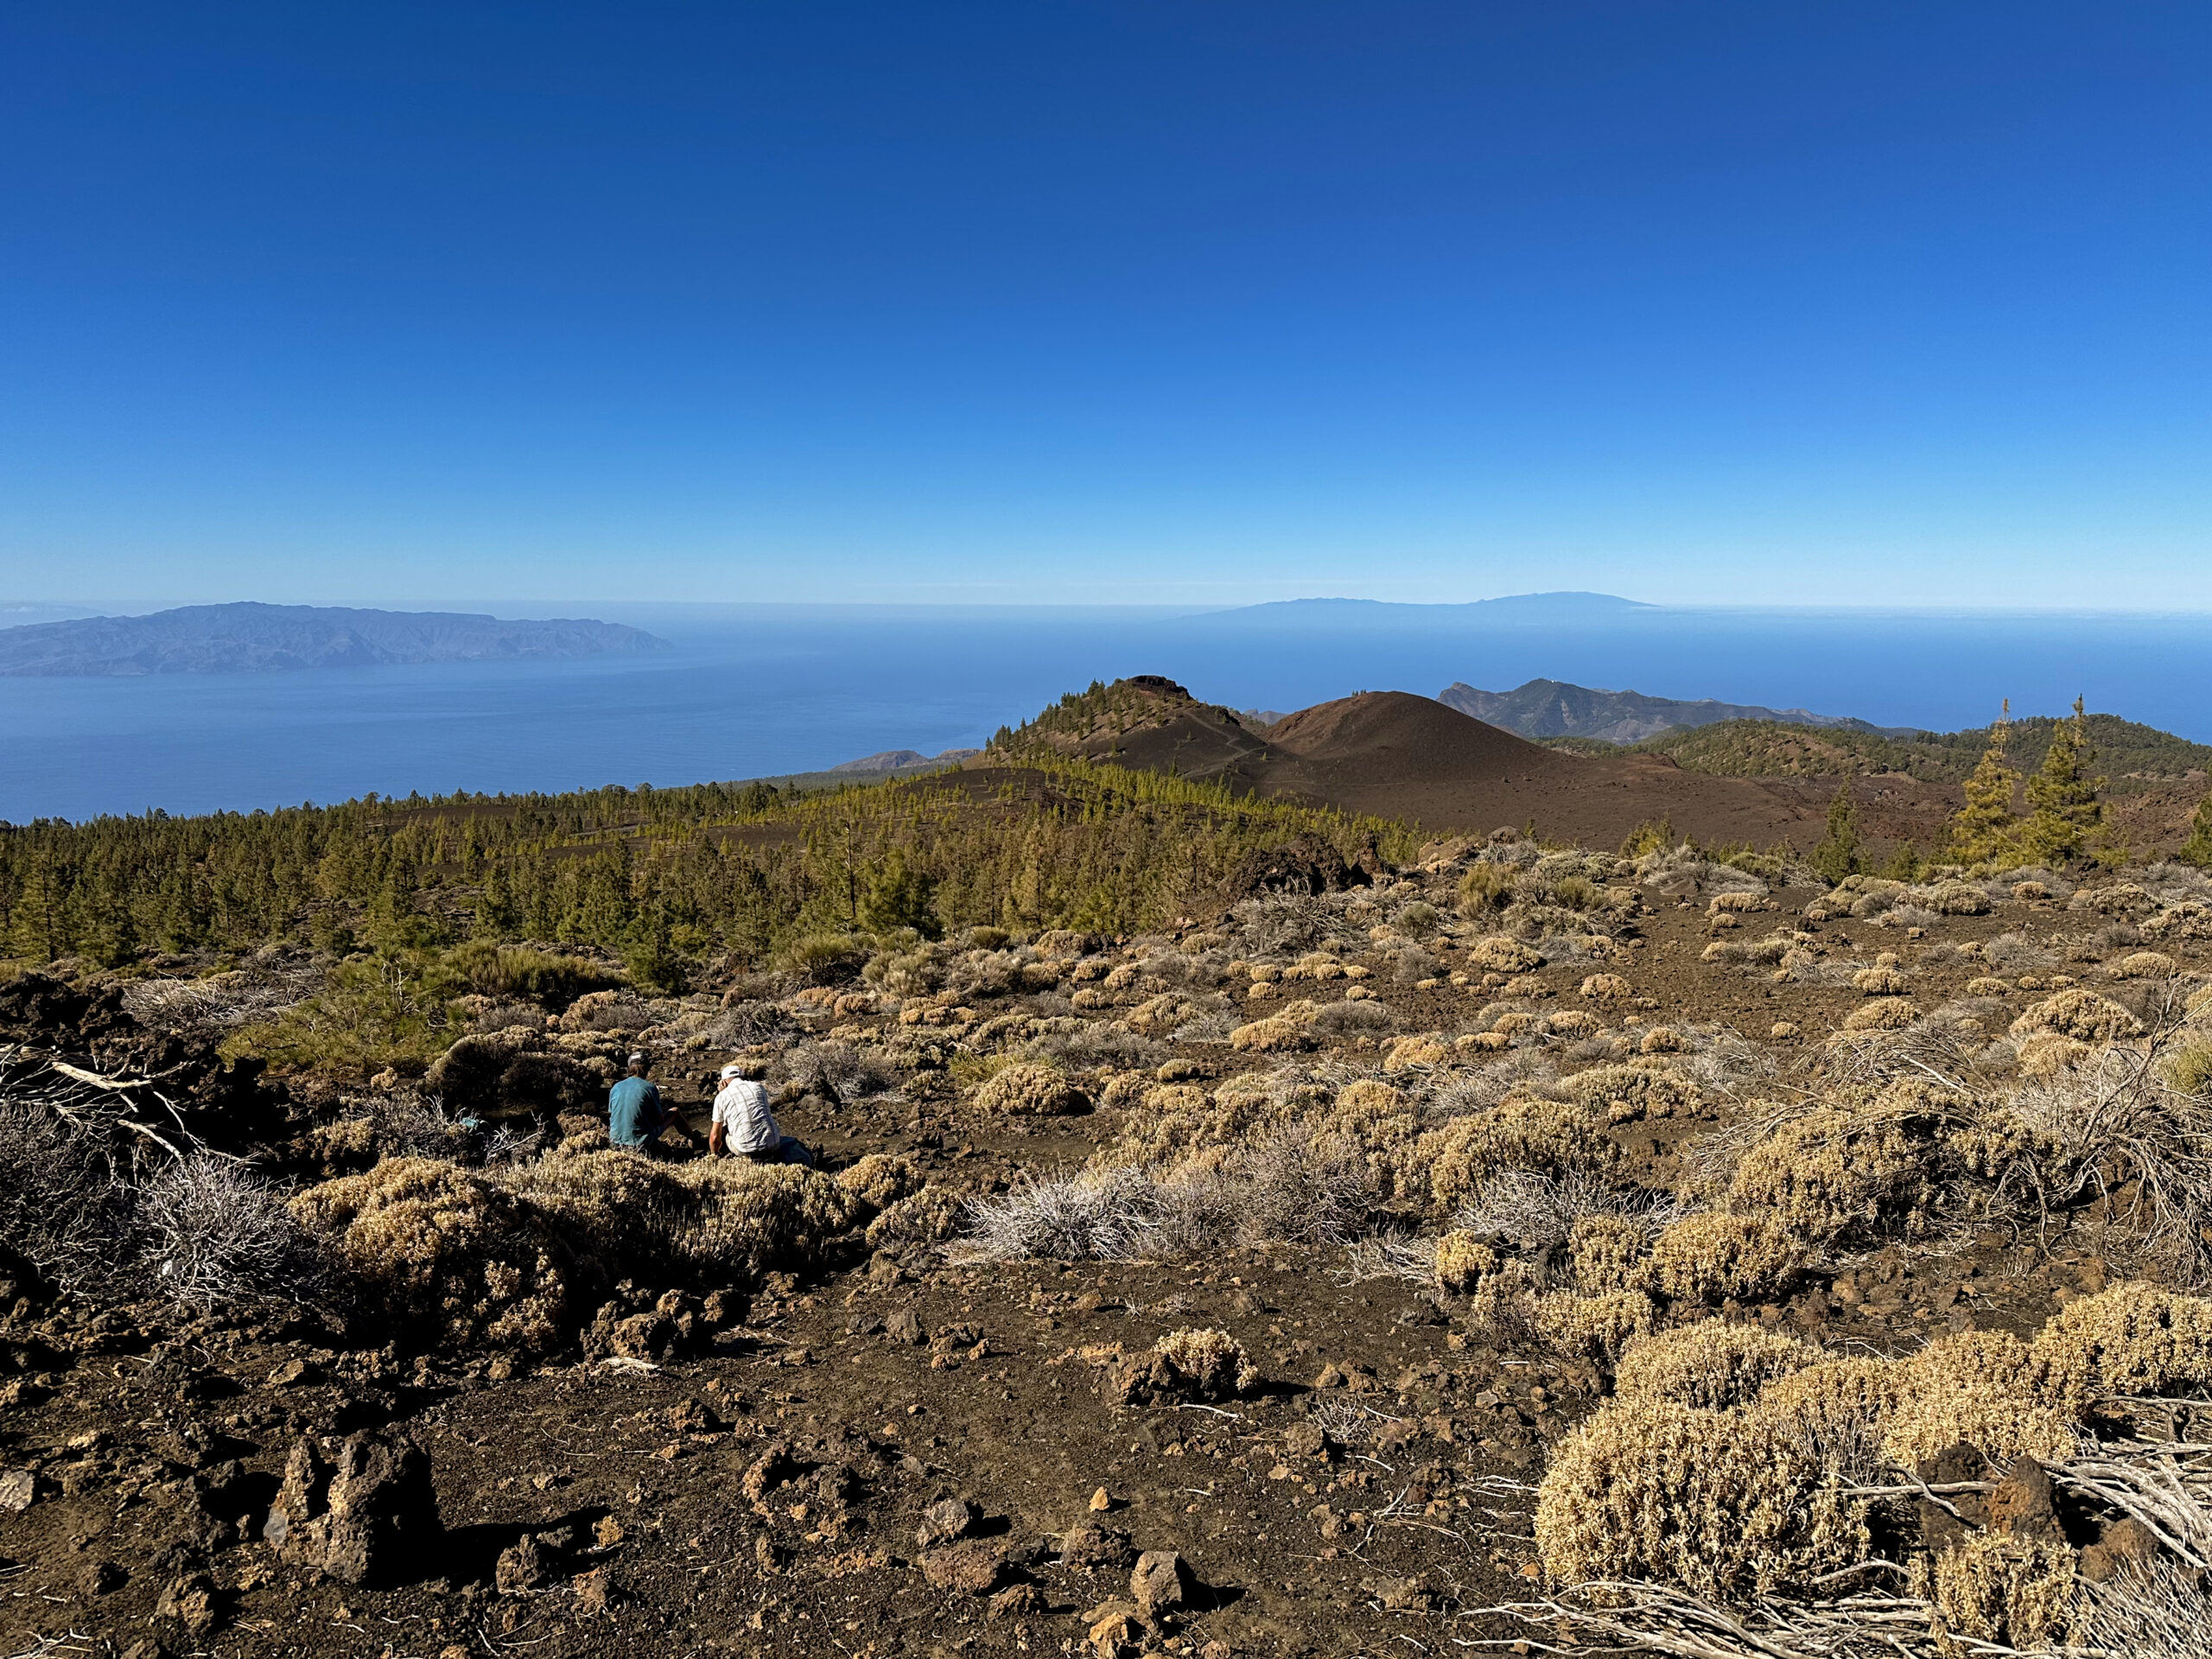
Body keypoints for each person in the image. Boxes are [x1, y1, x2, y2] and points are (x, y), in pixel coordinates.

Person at [709, 1062, 814, 1166]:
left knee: (724, 1128)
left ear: (724, 1082)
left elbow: (714, 1137)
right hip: (774, 1144)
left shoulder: (722, 1096)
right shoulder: (759, 1087)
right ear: (741, 1076)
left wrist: (714, 1156)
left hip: (746, 1151)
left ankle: (728, 1159)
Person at [607, 1052, 700, 1154]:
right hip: (638, 1145)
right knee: (675, 1112)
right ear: (647, 1069)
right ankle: (695, 1139)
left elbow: (613, 1114)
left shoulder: (616, 1087)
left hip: (614, 1143)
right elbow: (659, 1119)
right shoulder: (649, 1088)